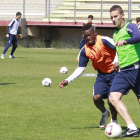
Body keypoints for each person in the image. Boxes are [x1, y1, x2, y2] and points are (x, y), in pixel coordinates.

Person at [59, 23, 118, 128]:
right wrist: (67, 80)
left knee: (111, 100)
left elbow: (118, 48)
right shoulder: (84, 50)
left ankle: (114, 121)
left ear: (95, 33)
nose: (88, 37)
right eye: (86, 36)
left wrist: (117, 61)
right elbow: (80, 68)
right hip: (102, 75)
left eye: (90, 35)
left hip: (115, 74)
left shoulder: (104, 40)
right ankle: (105, 113)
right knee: (96, 98)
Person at [109, 5, 140, 138]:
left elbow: (139, 37)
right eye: (111, 17)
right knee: (113, 98)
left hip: (136, 69)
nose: (113, 20)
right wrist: (116, 60)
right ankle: (132, 128)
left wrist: (126, 41)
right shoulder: (115, 34)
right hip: (123, 71)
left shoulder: (130, 27)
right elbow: (119, 50)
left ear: (122, 15)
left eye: (115, 16)